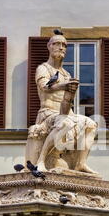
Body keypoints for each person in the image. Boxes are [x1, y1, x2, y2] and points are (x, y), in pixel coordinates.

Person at [25, 32, 98, 175]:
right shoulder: (43, 68)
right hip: (47, 114)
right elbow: (44, 86)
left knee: (91, 124)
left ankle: (80, 163)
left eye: (64, 45)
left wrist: (69, 92)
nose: (61, 47)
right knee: (65, 123)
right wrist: (64, 86)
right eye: (56, 44)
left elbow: (66, 105)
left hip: (64, 113)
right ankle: (41, 161)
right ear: (49, 47)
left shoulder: (66, 75)